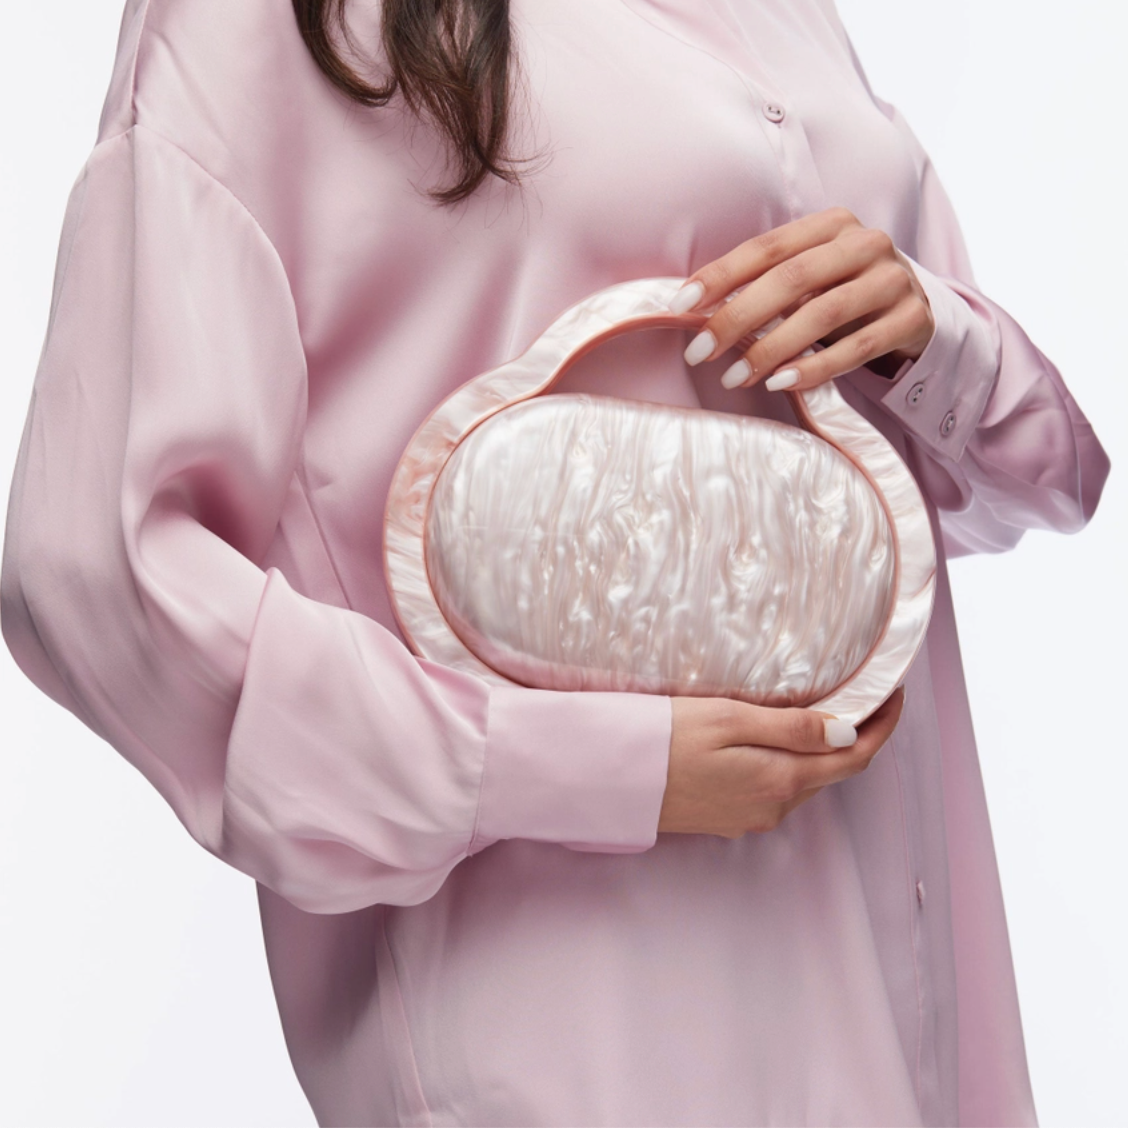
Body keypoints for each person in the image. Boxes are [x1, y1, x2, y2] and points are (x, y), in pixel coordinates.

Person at [0, 0, 1110, 1124]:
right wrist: (578, 765)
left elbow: (1026, 488)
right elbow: (97, 569)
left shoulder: (787, 18)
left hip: (905, 988)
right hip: (580, 1018)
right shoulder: (255, 25)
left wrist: (932, 339)